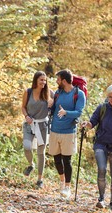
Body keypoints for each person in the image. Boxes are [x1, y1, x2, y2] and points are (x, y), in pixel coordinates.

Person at [82, 85, 112, 211]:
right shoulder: (102, 108)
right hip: (101, 143)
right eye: (110, 97)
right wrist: (87, 124)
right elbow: (92, 122)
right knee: (102, 169)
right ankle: (101, 199)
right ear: (107, 97)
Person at [49, 69, 86, 199]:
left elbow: (79, 112)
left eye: (58, 79)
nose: (57, 81)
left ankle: (68, 187)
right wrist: (50, 105)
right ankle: (62, 181)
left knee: (67, 160)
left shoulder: (79, 94)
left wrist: (66, 113)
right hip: (54, 130)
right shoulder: (58, 93)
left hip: (69, 131)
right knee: (57, 159)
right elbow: (53, 110)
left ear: (64, 81)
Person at [21, 71, 53, 188]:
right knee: (27, 146)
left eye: (45, 80)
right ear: (36, 80)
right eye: (41, 80)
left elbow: (58, 103)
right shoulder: (28, 92)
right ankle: (31, 165)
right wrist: (26, 116)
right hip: (30, 124)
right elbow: (23, 107)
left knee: (41, 153)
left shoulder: (49, 93)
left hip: (43, 125)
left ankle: (40, 179)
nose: (43, 82)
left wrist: (52, 103)